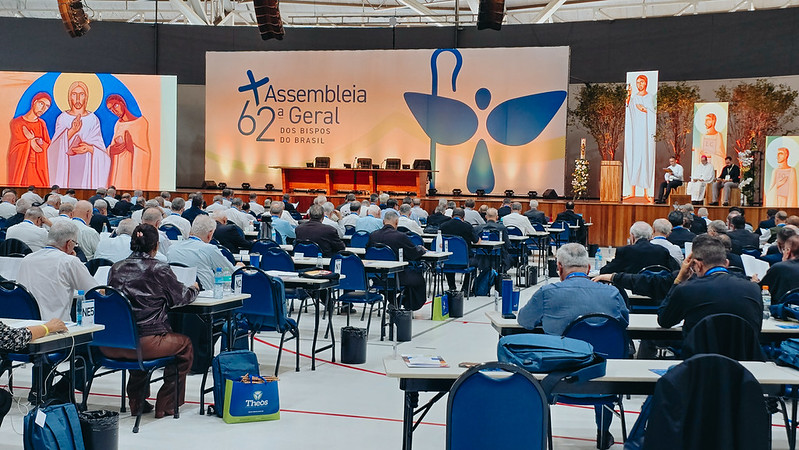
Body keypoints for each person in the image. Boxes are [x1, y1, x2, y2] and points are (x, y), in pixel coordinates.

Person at [518, 243, 628, 450]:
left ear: (559, 267)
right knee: (600, 357)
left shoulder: (547, 292)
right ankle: (603, 432)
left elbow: (524, 321)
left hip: (559, 380)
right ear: (588, 268)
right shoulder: (612, 293)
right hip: (606, 381)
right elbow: (623, 323)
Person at [104, 224, 199, 418]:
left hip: (112, 343)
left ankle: (136, 401)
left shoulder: (115, 268)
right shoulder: (159, 269)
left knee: (138, 340)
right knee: (185, 346)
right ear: (156, 246)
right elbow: (181, 297)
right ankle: (167, 403)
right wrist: (194, 288)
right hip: (146, 343)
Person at [658, 234, 761, 335]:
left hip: (699, 346)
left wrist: (679, 280)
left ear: (698, 265)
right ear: (726, 263)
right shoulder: (753, 289)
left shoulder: (687, 289)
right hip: (742, 346)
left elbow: (664, 321)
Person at [17, 220, 99, 321]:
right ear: (69, 243)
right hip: (57, 326)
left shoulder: (27, 259)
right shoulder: (69, 262)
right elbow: (94, 291)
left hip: (29, 325)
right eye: (75, 244)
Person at [48, 81, 110, 189]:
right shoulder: (62, 118)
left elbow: (100, 149)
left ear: (86, 97)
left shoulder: (93, 119)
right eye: (74, 94)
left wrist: (89, 148)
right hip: (67, 164)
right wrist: (72, 130)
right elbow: (54, 148)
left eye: (81, 94)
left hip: (87, 164)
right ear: (69, 97)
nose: (77, 99)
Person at [366, 210, 427, 310]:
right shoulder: (400, 236)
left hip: (378, 277)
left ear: (383, 222)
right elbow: (413, 253)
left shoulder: (373, 235)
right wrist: (421, 249)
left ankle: (393, 301)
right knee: (418, 280)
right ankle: (401, 303)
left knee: (397, 281)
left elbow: (368, 252)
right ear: (396, 222)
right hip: (398, 276)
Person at [167, 215, 235, 291]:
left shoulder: (172, 248)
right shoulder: (210, 249)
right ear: (210, 234)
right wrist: (238, 267)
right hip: (204, 293)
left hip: (176, 292)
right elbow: (229, 271)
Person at [106, 95, 152, 190]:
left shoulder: (140, 123)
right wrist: (111, 150)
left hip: (130, 172)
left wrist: (132, 148)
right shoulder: (118, 124)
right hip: (118, 170)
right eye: (111, 109)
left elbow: (145, 153)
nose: (114, 111)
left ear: (122, 103)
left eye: (115, 106)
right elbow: (112, 146)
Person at [600, 221, 679, 274]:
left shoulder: (625, 251)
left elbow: (606, 271)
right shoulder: (662, 250)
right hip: (655, 291)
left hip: (630, 290)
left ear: (632, 236)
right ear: (650, 236)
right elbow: (676, 269)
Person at [624, 74, 657, 200]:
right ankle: (632, 191)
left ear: (646, 83)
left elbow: (653, 113)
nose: (639, 84)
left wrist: (645, 110)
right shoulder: (634, 98)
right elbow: (629, 109)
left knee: (645, 159)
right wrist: (629, 96)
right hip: (636, 134)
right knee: (634, 159)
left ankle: (646, 193)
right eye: (637, 82)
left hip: (646, 134)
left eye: (641, 82)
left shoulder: (650, 97)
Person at [8, 93, 51, 187]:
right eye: (41, 104)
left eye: (47, 106)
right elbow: (14, 149)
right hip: (23, 168)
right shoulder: (17, 123)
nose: (43, 108)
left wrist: (38, 142)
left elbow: (48, 145)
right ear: (35, 102)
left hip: (38, 168)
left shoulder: (41, 124)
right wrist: (30, 142)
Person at [440, 208, 479, 291]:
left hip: (447, 259)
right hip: (465, 260)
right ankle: (465, 288)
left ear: (452, 216)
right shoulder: (467, 226)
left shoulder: (443, 226)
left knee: (448, 260)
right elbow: (476, 240)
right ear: (463, 217)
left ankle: (452, 286)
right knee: (475, 261)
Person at [758, 235, 799, 302]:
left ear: (788, 251)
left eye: (784, 249)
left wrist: (754, 283)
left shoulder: (780, 267)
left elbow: (762, 290)